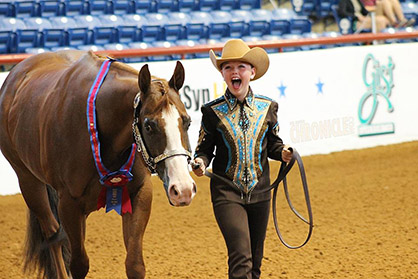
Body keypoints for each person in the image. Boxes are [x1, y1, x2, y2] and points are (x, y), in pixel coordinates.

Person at [192, 39, 293, 279]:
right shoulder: (211, 111)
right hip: (227, 193)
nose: (234, 72)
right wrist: (201, 162)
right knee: (241, 258)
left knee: (255, 263)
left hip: (261, 192)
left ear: (252, 72)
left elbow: (273, 144)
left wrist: (284, 152)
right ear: (223, 74)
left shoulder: (268, 107)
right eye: (228, 67)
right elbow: (204, 149)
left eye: (241, 67)